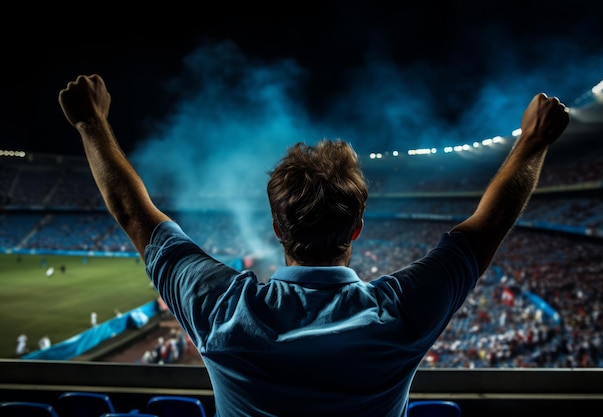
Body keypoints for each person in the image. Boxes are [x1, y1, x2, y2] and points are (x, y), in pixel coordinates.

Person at [58, 74, 569, 417]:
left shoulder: (224, 310)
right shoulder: (400, 314)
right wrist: (532, 142)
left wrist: (91, 124)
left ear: (277, 229)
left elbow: (135, 213)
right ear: (357, 229)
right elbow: (486, 227)